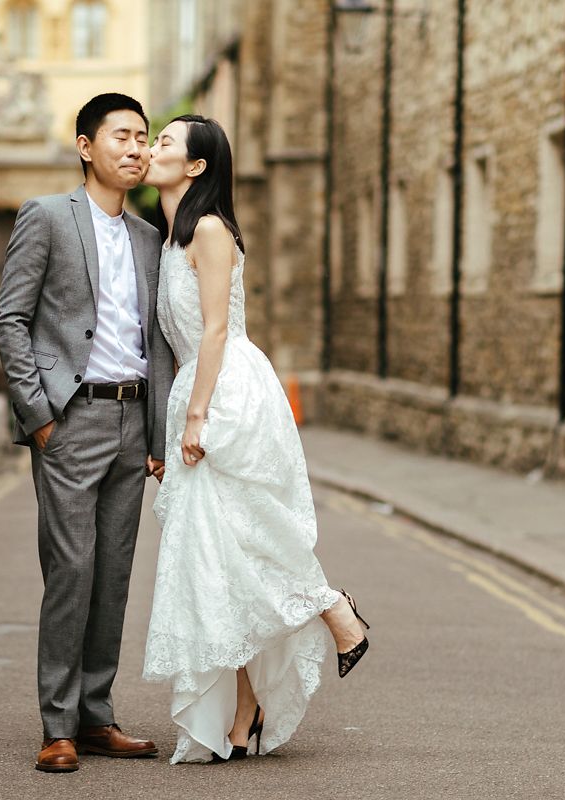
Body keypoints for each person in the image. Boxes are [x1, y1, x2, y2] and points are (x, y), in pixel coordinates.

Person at [141, 115, 371, 764]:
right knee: (217, 563)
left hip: (227, 393)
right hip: (199, 390)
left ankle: (332, 608)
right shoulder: (169, 235)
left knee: (245, 541)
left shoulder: (209, 230)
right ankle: (247, 707)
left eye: (164, 142)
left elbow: (214, 331)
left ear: (194, 168)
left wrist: (196, 418)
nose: (151, 148)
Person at [0, 93, 175, 773]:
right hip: (71, 418)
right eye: (122, 136)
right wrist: (39, 416)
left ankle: (97, 715)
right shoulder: (45, 217)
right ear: (85, 146)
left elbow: (154, 342)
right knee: (70, 569)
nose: (135, 148)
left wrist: (156, 435)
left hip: (132, 421)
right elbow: (10, 319)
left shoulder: (149, 237)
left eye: (143, 137)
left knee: (114, 575)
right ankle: (57, 724)